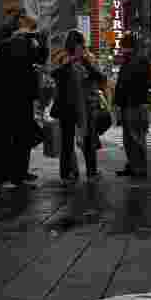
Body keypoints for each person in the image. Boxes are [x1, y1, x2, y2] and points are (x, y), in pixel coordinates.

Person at [51, 30, 105, 185]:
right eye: (79, 45)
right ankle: (67, 173)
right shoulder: (62, 58)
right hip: (67, 107)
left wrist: (86, 64)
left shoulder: (87, 60)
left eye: (82, 45)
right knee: (67, 142)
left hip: (85, 105)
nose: (82, 48)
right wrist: (70, 62)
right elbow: (54, 74)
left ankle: (91, 172)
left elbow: (100, 77)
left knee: (88, 140)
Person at [0, 19, 43, 191]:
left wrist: (38, 41)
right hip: (14, 100)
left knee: (21, 138)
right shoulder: (11, 47)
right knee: (13, 139)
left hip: (19, 99)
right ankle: (11, 175)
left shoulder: (20, 47)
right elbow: (39, 58)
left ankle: (17, 174)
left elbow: (40, 58)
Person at [114, 38, 151, 179]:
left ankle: (140, 168)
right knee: (130, 139)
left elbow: (128, 84)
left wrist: (119, 100)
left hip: (135, 104)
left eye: (123, 47)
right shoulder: (129, 61)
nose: (121, 50)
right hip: (129, 105)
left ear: (128, 47)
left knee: (136, 138)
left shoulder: (137, 61)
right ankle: (133, 165)